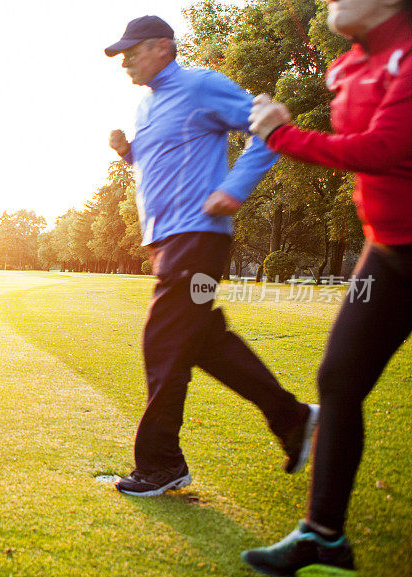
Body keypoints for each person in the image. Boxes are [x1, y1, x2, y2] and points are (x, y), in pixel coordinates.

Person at [104, 15, 318, 498]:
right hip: (167, 241)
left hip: (197, 236)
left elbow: (269, 128)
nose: (126, 62)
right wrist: (128, 154)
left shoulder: (201, 85)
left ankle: (161, 464)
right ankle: (294, 419)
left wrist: (234, 188)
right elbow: (164, 160)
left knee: (162, 344)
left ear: (163, 47)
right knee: (204, 343)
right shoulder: (146, 107)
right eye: (121, 56)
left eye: (131, 52)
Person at [243, 0, 412, 574]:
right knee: (338, 378)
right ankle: (324, 537)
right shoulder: (353, 65)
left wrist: (283, 136)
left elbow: (384, 149)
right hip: (388, 253)